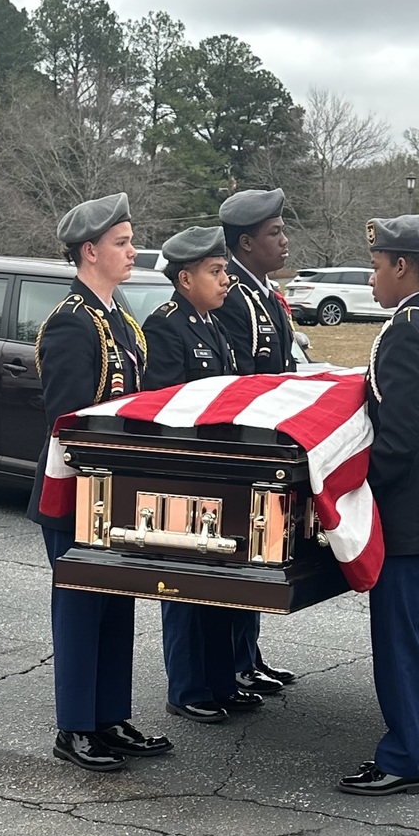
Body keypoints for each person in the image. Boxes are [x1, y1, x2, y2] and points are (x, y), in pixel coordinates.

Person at [27, 192, 173, 772]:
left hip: (116, 490)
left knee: (116, 606)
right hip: (77, 490)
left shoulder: (122, 321)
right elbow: (68, 422)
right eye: (121, 243)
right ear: (89, 252)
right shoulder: (70, 324)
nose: (133, 251)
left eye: (130, 240)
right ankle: (75, 728)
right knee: (80, 608)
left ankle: (110, 717)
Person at [337, 214, 419, 798]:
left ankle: (410, 757)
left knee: (402, 639)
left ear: (402, 266)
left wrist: (360, 492)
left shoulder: (409, 329)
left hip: (412, 508)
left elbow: (399, 435)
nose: (371, 277)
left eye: (376, 265)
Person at [141, 226, 266, 724]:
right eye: (216, 272)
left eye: (225, 270)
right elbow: (166, 408)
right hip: (184, 477)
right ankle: (189, 687)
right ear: (185, 277)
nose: (226, 280)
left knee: (219, 582)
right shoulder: (167, 326)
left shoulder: (212, 324)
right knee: (185, 588)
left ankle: (221, 682)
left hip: (218, 475)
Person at [215, 187, 296, 695]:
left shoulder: (264, 292)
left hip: (270, 445)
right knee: (242, 558)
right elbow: (241, 379)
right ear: (246, 243)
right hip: (246, 446)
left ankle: (247, 656)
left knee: (258, 557)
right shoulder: (235, 297)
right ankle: (232, 662)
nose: (285, 241)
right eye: (274, 234)